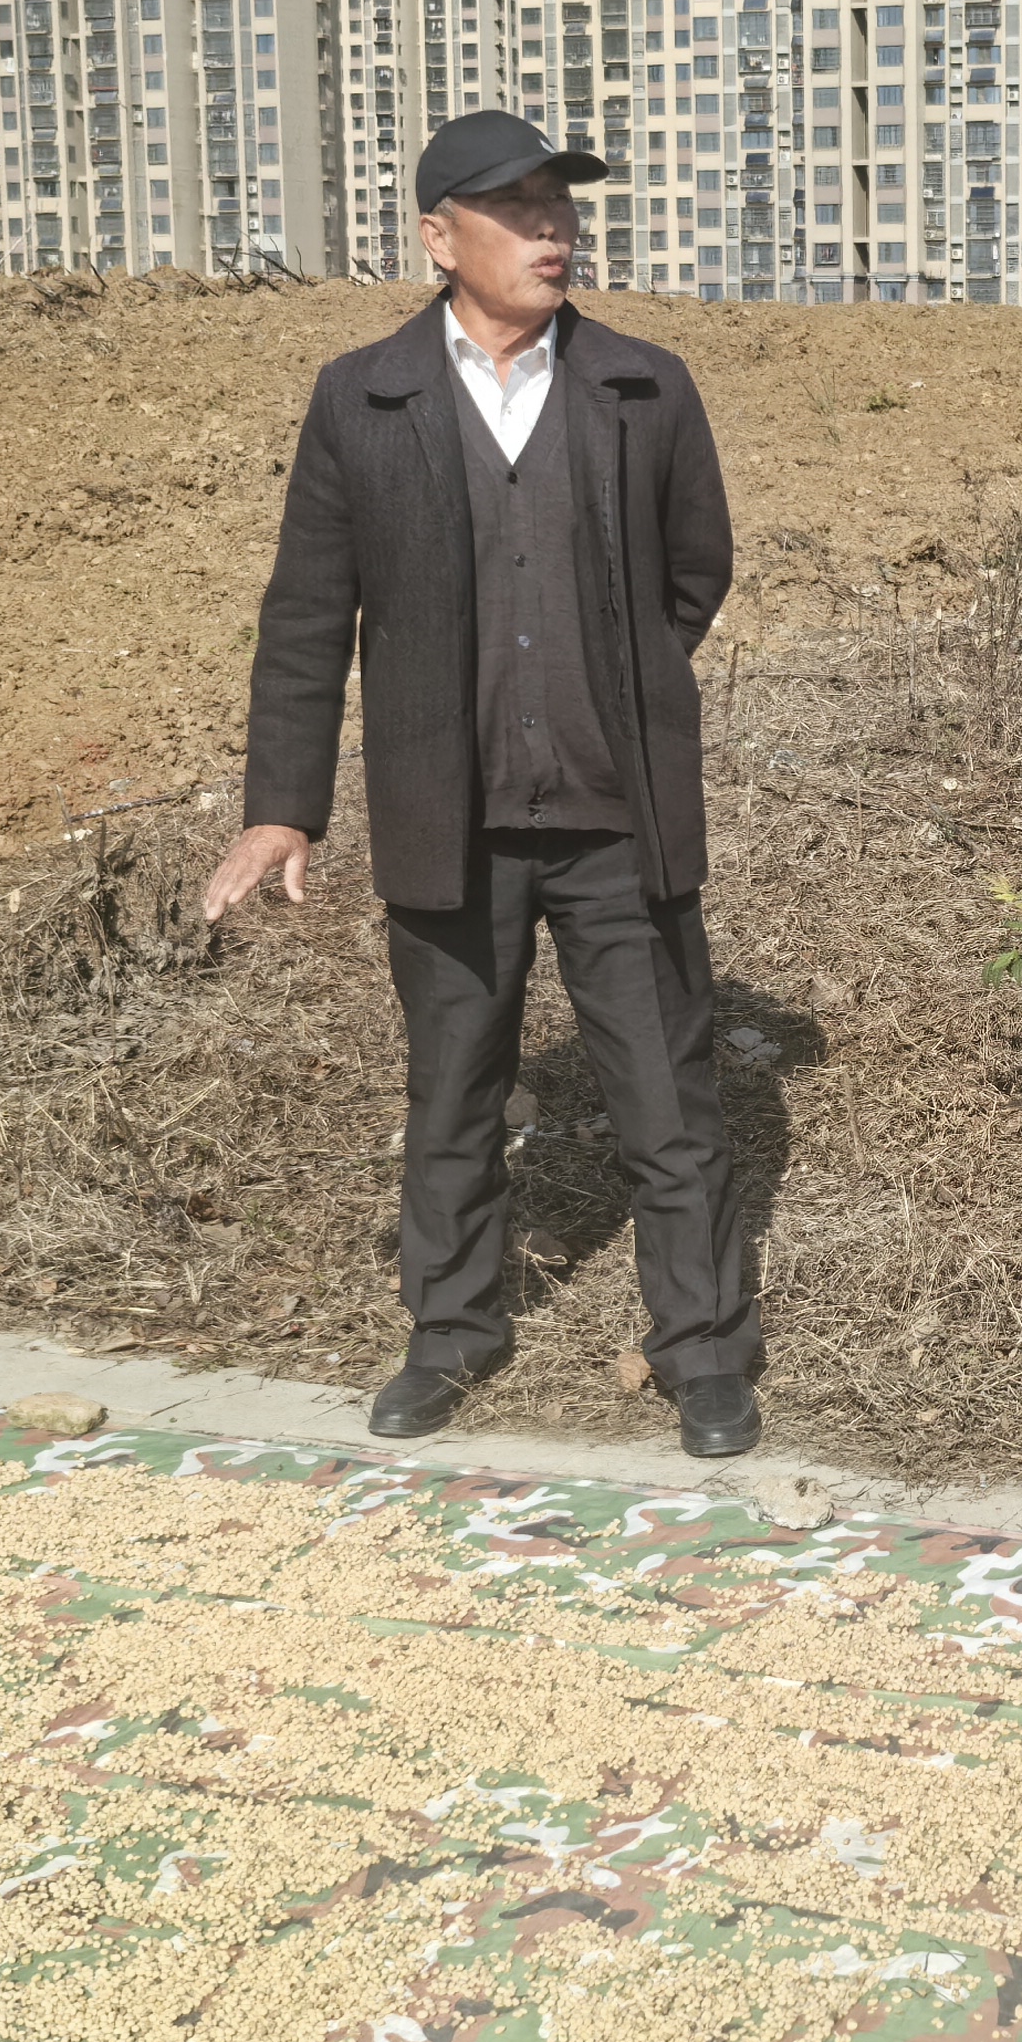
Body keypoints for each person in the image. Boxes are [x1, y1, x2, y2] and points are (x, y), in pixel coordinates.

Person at [201, 110, 764, 1458]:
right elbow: (307, 616)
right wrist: (281, 807)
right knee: (452, 1096)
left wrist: (617, 680)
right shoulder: (363, 397)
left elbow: (696, 572)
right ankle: (451, 1332)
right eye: (516, 211)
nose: (551, 232)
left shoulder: (644, 387)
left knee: (668, 1103)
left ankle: (701, 1352)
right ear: (440, 239)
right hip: (446, 820)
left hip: (619, 817)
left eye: (560, 208)